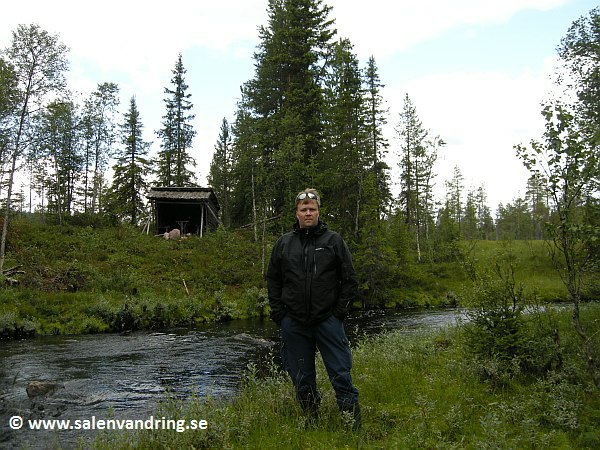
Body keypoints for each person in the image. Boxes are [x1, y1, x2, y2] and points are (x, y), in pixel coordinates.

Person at [266, 188, 361, 430]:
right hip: (294, 322)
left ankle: (352, 426)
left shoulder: (333, 241)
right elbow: (273, 280)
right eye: (303, 209)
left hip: (327, 320)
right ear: (296, 213)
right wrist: (279, 314)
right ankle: (312, 422)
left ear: (318, 211)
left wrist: (339, 312)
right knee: (301, 378)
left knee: (341, 374)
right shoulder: (284, 244)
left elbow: (349, 279)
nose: (308, 213)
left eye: (312, 209)